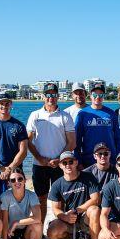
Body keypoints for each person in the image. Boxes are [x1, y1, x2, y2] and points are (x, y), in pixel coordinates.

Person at [26, 82, 75, 225]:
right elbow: (28, 141)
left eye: (54, 95)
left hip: (60, 165)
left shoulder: (65, 116)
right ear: (43, 96)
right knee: (41, 198)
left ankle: (64, 228)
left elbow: (72, 142)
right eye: (48, 95)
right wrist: (41, 159)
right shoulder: (35, 115)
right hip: (39, 165)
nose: (51, 98)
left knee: (62, 198)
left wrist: (59, 160)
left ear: (57, 96)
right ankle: (39, 230)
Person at [47, 151, 102, 239]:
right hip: (69, 219)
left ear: (76, 163)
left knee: (95, 209)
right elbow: (55, 208)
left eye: (71, 161)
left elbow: (96, 199)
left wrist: (78, 210)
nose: (68, 165)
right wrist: (65, 216)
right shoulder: (57, 184)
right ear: (60, 166)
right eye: (64, 163)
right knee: (52, 233)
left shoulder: (87, 177)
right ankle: (72, 237)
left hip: (85, 216)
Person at [0, 91, 29, 197]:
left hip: (15, 173)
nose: (4, 106)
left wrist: (10, 168)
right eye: (1, 103)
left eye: (7, 103)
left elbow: (23, 151)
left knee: (17, 205)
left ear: (11, 104)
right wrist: (1, 168)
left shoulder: (19, 126)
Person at [0, 168, 44, 239]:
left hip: (25, 230)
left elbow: (37, 217)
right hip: (11, 233)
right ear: (9, 183)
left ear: (25, 180)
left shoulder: (31, 195)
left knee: (38, 224)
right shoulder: (5, 196)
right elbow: (5, 222)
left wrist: (16, 223)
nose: (17, 182)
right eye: (13, 180)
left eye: (20, 179)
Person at [74, 83, 120, 167]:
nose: (98, 97)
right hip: (88, 160)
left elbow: (117, 139)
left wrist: (119, 158)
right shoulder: (82, 114)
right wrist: (78, 160)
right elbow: (77, 140)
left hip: (109, 159)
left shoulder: (111, 114)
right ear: (90, 95)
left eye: (101, 95)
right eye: (95, 94)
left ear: (104, 96)